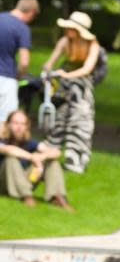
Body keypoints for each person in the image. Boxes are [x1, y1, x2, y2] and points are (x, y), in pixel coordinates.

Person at [42, 11, 101, 174]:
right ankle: (49, 153)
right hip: (64, 86)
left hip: (81, 87)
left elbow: (87, 68)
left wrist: (67, 75)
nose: (68, 31)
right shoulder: (64, 41)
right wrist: (47, 71)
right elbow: (51, 61)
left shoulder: (92, 45)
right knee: (58, 119)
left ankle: (76, 159)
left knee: (80, 120)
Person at [1, 109, 72, 210]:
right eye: (15, 123)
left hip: (25, 180)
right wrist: (32, 157)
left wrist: (42, 157)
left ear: (26, 126)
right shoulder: (3, 140)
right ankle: (26, 196)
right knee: (10, 160)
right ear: (8, 124)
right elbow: (8, 150)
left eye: (22, 124)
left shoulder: (29, 142)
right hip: (5, 184)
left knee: (52, 162)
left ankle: (57, 197)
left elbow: (56, 152)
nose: (19, 127)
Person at [0, 0, 39, 121]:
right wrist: (18, 76)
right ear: (31, 13)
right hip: (6, 79)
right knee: (6, 123)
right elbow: (24, 62)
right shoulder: (22, 28)